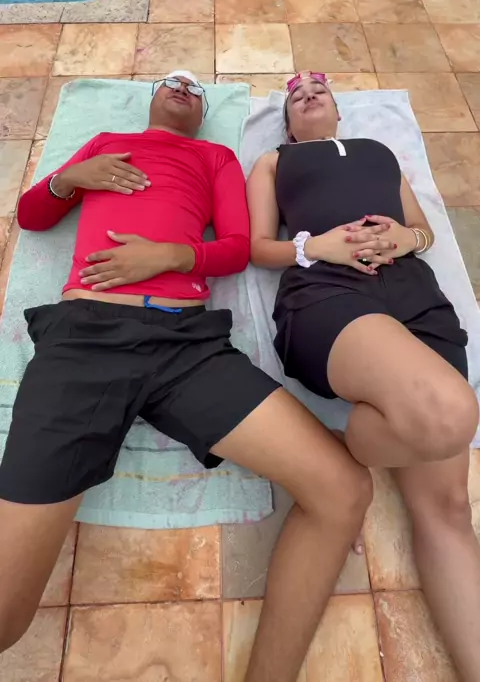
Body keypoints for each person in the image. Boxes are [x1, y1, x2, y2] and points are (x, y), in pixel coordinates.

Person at [0, 70, 372, 682]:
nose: (183, 85)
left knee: (345, 490)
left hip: (185, 346)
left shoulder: (213, 156)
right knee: (4, 615)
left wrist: (172, 256)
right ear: (151, 100)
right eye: (171, 81)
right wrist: (69, 178)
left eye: (196, 87)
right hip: (85, 342)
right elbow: (33, 216)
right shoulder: (106, 142)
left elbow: (236, 247)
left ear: (202, 113)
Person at [247, 70, 480, 682]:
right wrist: (314, 247)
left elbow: (424, 232)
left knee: (450, 509)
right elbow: (257, 248)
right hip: (327, 293)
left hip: (417, 296)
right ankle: (352, 445)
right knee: (450, 414)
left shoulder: (380, 152)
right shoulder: (274, 163)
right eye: (296, 94)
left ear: (339, 109)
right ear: (288, 125)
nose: (308, 93)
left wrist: (408, 237)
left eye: (318, 88)